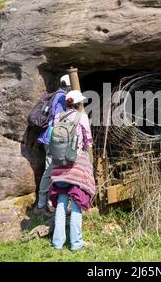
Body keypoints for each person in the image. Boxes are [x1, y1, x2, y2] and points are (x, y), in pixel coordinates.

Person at [49, 90, 96, 251]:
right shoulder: (81, 116)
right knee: (77, 202)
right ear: (78, 103)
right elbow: (88, 140)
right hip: (75, 164)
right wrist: (90, 161)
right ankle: (76, 243)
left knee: (61, 203)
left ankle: (57, 242)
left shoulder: (58, 117)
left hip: (59, 165)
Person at [34, 75, 71, 213]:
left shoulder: (56, 95)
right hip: (53, 139)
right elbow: (59, 119)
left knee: (50, 169)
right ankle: (44, 202)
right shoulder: (61, 98)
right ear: (69, 85)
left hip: (48, 137)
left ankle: (47, 200)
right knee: (50, 170)